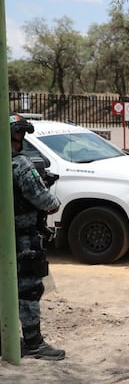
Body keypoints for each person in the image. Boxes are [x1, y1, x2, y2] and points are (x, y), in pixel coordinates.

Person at [9, 113, 65, 360]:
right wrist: (53, 200)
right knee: (29, 289)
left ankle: (7, 338)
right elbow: (45, 201)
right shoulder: (21, 165)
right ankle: (33, 343)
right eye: (20, 134)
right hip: (22, 238)